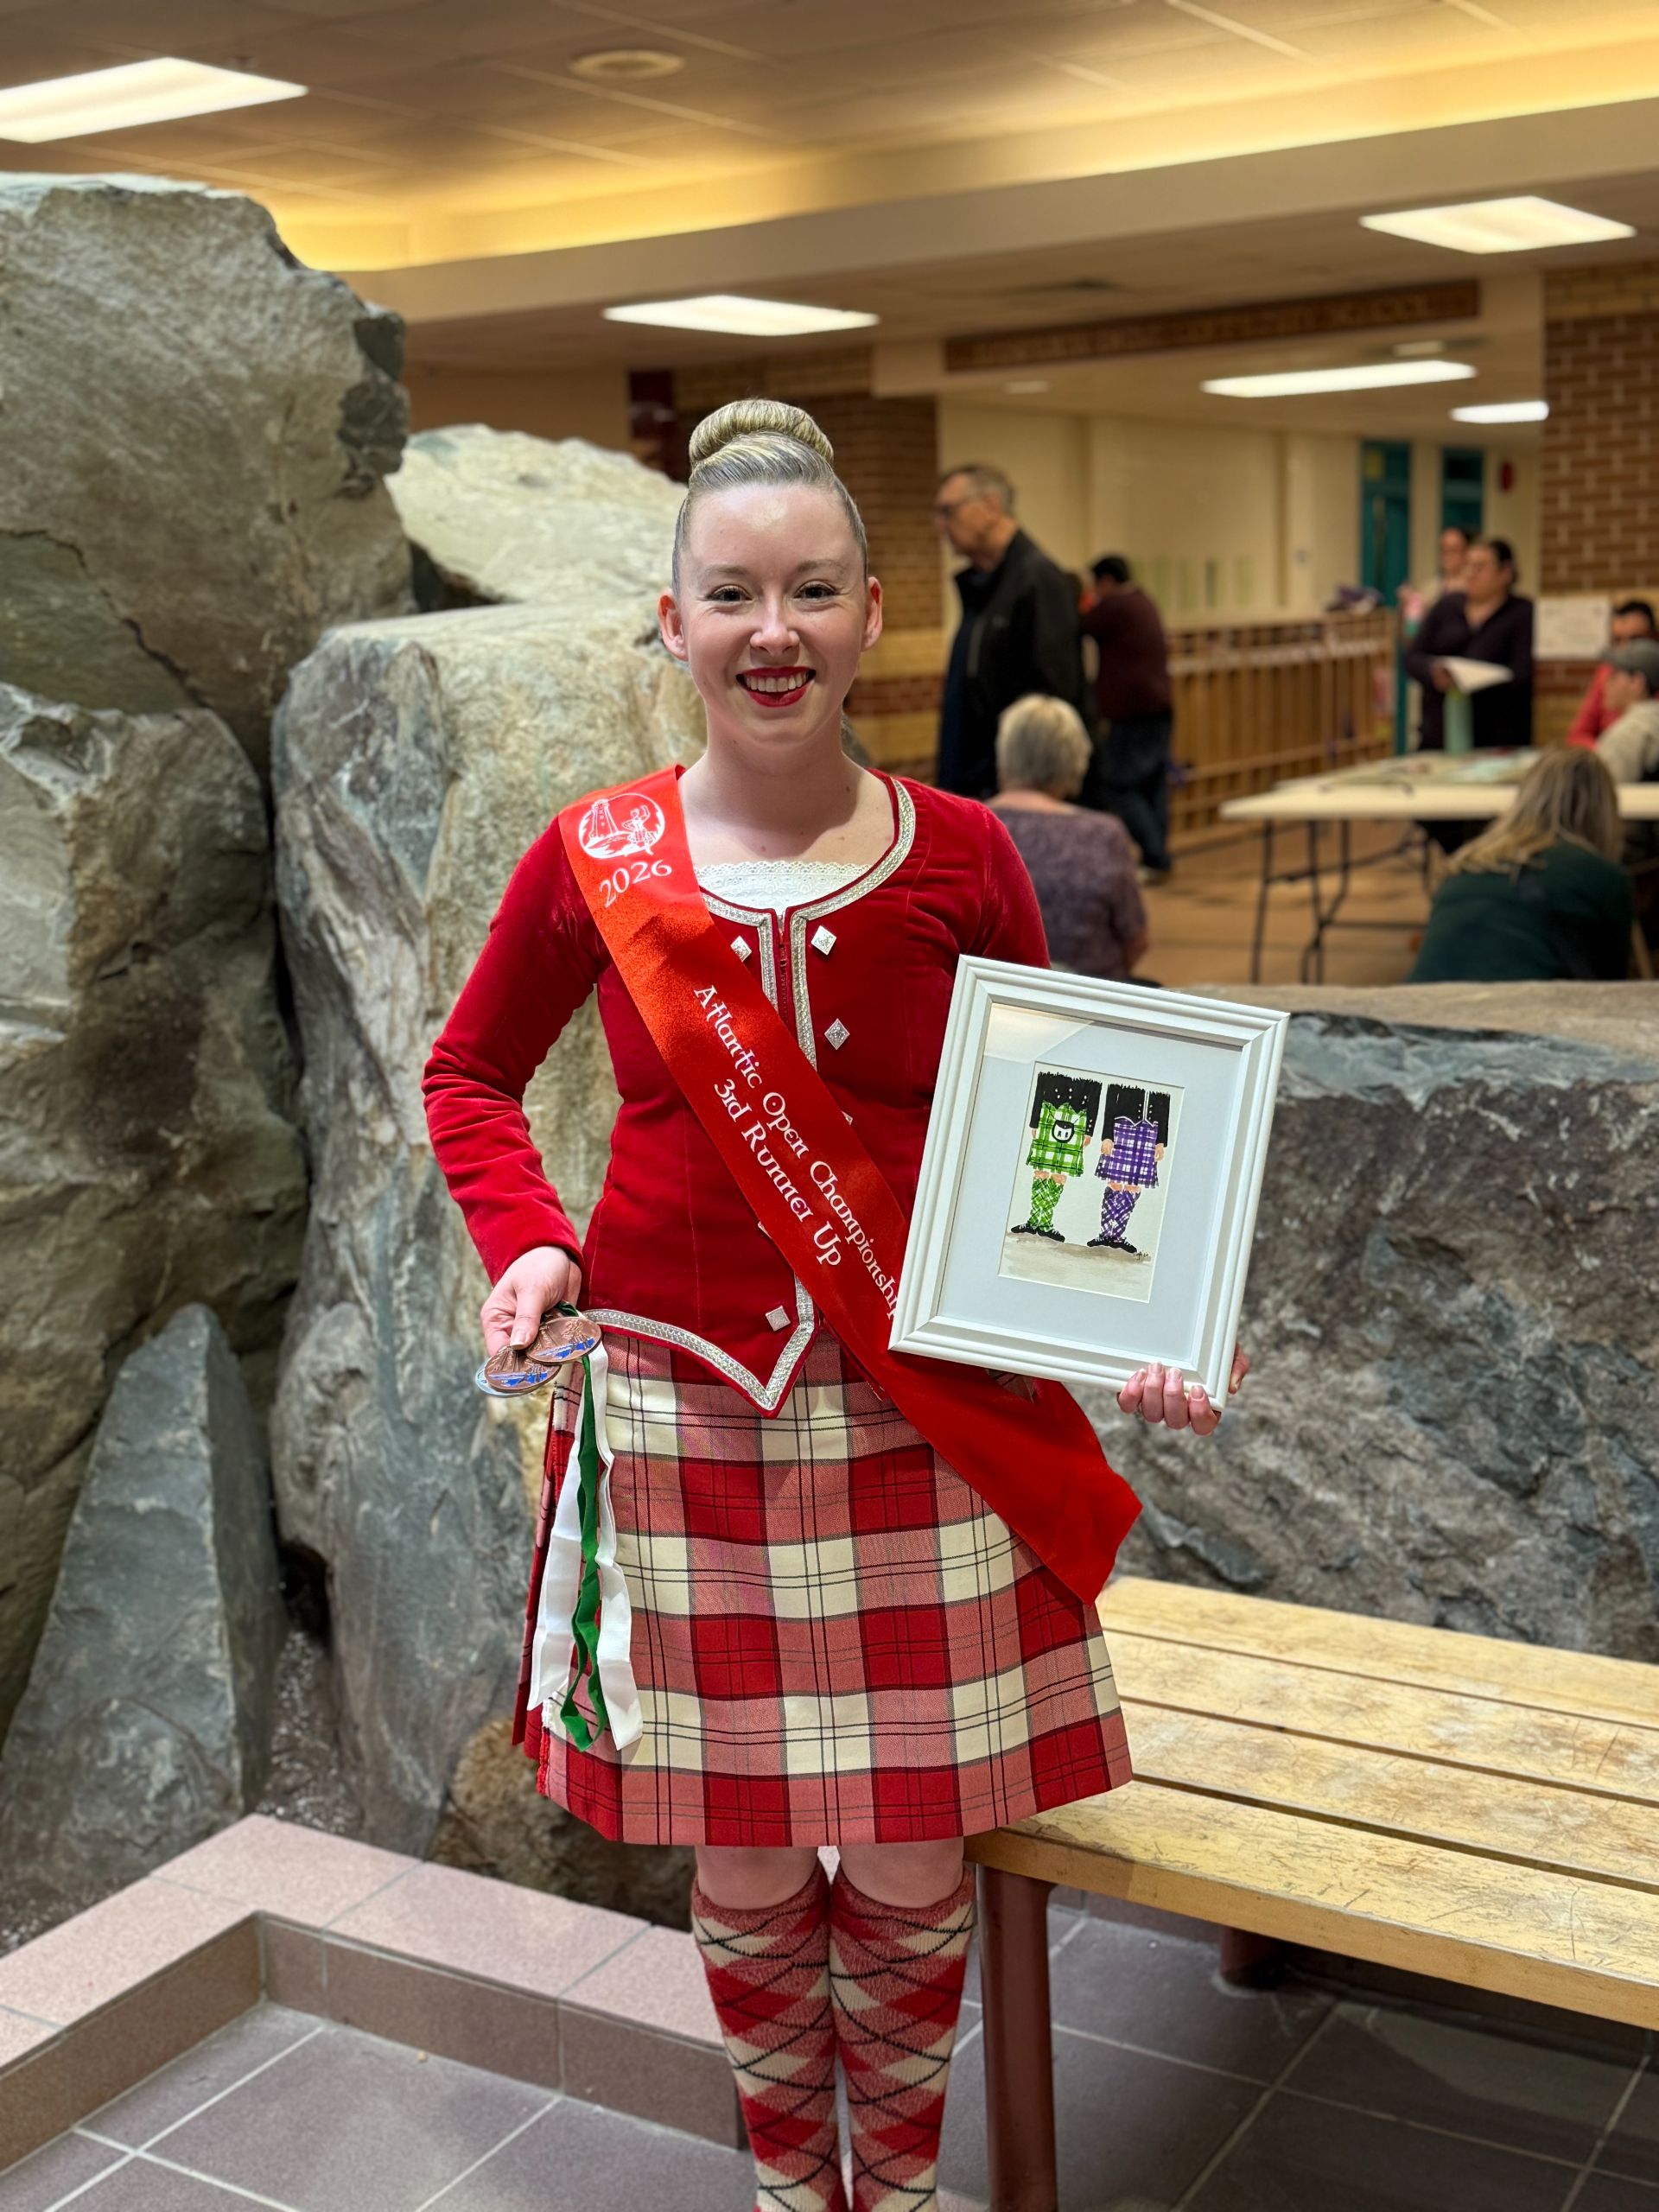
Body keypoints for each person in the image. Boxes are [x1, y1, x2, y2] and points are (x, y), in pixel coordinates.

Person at [423, 397, 1246, 2212]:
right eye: (731, 594)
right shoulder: (591, 855)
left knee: (906, 1862)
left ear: (876, 614)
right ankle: (801, 2192)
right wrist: (529, 1238)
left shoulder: (964, 854)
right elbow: (469, 1073)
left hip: (917, 1419)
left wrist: (1142, 1310)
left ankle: (903, 2190)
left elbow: (1066, 1130)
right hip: (676, 1417)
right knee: (738, 1863)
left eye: (810, 589)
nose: (771, 629)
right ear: (673, 622)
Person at [1408, 747, 1633, 982]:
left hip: (1421, 1001)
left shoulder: (1466, 864)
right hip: (1523, 1003)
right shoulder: (1602, 876)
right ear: (1605, 811)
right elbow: (1610, 984)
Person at [933, 461, 1088, 799]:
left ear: (991, 506)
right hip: (974, 787)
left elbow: (1051, 699)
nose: (940, 526)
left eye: (949, 511)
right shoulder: (983, 587)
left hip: (1014, 792)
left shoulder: (1038, 582)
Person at [989, 692, 1147, 977]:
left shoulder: (967, 823)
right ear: (1074, 757)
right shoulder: (1103, 835)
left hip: (995, 995)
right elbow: (1136, 941)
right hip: (1087, 995)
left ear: (1005, 751)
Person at [1079, 554, 1174, 874]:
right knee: (1152, 785)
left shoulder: (1116, 605)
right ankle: (1157, 857)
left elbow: (1083, 624)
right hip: (1159, 706)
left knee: (1119, 785)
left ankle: (1154, 853)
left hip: (1133, 712)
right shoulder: (1143, 600)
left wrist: (1083, 600)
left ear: (1107, 582)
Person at [1403, 534, 1535, 754]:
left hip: (1497, 735)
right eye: (1468, 566)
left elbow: (1522, 673)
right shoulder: (1447, 607)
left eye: (1480, 567)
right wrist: (1434, 672)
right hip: (1439, 733)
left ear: (1505, 572)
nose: (1471, 574)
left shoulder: (1522, 613)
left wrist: (1473, 678)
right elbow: (1412, 657)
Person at [1567, 600, 1659, 747]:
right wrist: (1607, 751)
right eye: (1617, 640)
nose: (1625, 647)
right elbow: (1578, 733)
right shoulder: (1606, 673)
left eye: (1635, 639)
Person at [1594, 638, 1659, 785]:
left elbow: (1607, 793)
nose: (1605, 683)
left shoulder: (1626, 735)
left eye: (1614, 676)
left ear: (1637, 683)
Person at [1396, 523, 1471, 639]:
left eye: (1453, 550)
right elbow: (1410, 635)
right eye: (1443, 550)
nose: (1447, 555)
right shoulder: (1429, 589)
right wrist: (1405, 607)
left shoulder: (1474, 587)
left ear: (1465, 552)